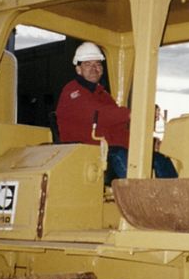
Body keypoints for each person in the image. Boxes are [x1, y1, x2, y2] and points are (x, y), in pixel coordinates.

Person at [56, 42, 177, 183]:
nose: (94, 68)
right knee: (120, 154)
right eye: (88, 64)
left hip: (106, 148)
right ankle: (137, 193)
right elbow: (99, 114)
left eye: (98, 64)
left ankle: (174, 192)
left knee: (157, 158)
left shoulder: (103, 95)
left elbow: (118, 128)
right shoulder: (72, 92)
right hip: (84, 150)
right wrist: (133, 113)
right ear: (78, 69)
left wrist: (145, 144)